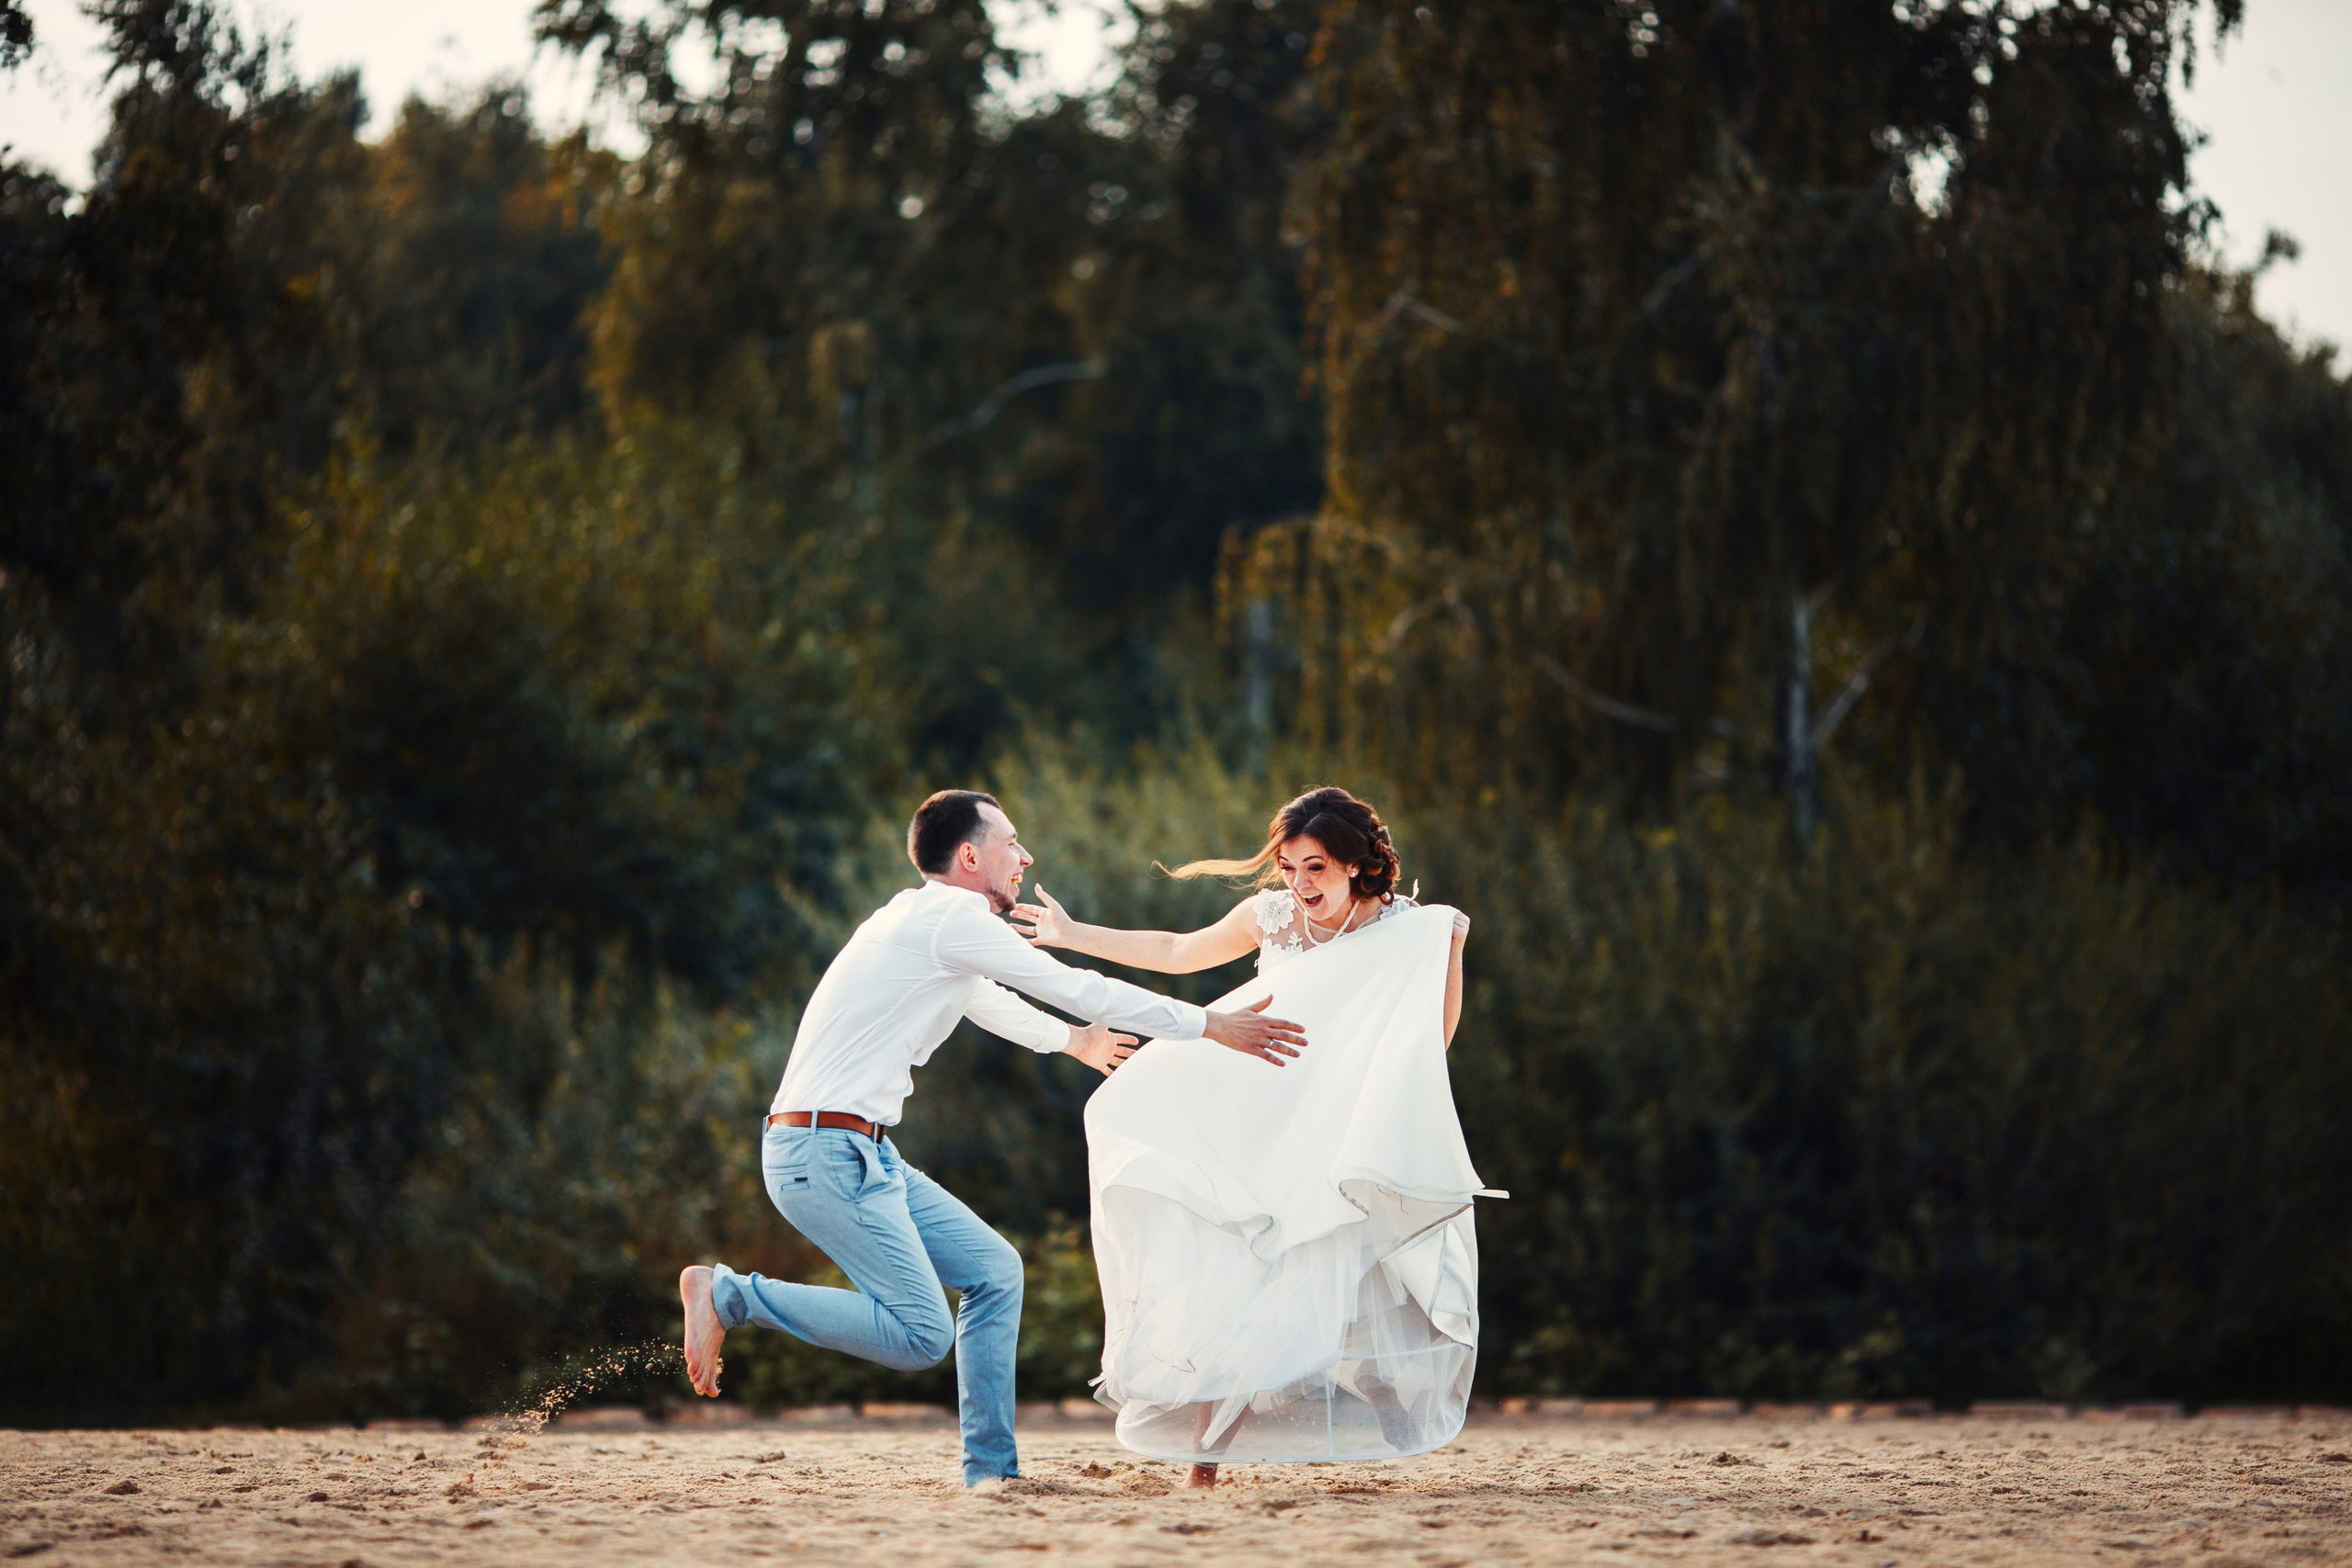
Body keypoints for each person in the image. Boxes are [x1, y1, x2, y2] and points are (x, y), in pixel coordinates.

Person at [677, 789, 1310, 1490]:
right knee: (922, 1335)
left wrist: (1072, 1042)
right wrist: (1210, 1024)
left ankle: (992, 1473)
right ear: (971, 855)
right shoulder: (949, 916)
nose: (1026, 857)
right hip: (822, 1153)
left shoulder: (925, 923)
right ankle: (729, 1295)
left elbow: (987, 1000)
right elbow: (1079, 985)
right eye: (1012, 842)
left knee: (995, 1272)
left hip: (860, 1151)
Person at [1012, 785, 1493, 1488]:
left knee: (1345, 1275)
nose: (1300, 885)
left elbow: (1433, 1039)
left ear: (1357, 864)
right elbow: (1179, 949)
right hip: (1257, 1120)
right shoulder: (1272, 916)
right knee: (1251, 1280)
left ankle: (1378, 1404)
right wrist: (1072, 933)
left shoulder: (1408, 928)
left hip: (1339, 1125)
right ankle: (1205, 1465)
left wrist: (1447, 946)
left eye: (1317, 868)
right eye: (1290, 866)